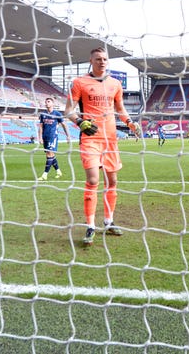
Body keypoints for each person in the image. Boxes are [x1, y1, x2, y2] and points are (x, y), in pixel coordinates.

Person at [64, 47, 141, 246]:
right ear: (91, 61)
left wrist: (131, 123)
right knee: (92, 180)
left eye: (105, 59)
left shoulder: (115, 84)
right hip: (90, 138)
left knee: (112, 181)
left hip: (111, 139)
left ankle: (108, 222)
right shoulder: (79, 82)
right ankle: (90, 226)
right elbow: (69, 111)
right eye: (98, 59)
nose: (102, 62)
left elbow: (121, 109)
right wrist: (80, 123)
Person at [38, 97, 70, 180]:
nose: (46, 103)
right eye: (46, 102)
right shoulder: (43, 114)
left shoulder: (57, 114)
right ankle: (58, 171)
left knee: (49, 154)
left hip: (53, 137)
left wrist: (68, 136)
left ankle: (45, 175)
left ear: (53, 104)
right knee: (50, 155)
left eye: (48, 101)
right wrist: (40, 137)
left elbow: (64, 125)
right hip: (45, 137)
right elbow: (41, 127)